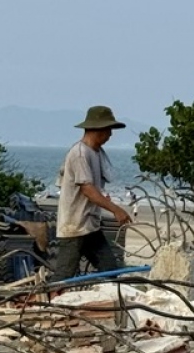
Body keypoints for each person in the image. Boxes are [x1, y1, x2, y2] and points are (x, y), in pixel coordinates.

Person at [50, 105, 134, 281]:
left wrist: (103, 198)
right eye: (108, 130)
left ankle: (109, 303)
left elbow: (95, 188)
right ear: (98, 129)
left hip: (90, 226)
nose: (110, 135)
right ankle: (49, 304)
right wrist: (115, 209)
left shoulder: (97, 153)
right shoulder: (79, 154)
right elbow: (87, 189)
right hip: (75, 226)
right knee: (63, 277)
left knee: (110, 269)